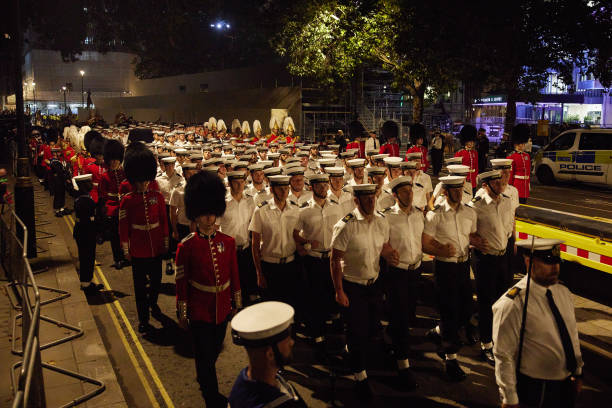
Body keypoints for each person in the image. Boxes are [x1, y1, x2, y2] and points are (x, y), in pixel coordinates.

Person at [175, 171, 241, 407]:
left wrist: (236, 302)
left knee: (213, 351)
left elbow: (234, 274)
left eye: (212, 213)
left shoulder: (228, 242)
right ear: (196, 215)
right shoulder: (187, 246)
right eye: (204, 214)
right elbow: (181, 283)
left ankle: (204, 374)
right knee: (204, 355)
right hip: (200, 309)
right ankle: (211, 395)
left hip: (221, 307)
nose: (209, 218)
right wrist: (182, 313)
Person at [493, 238, 584, 408]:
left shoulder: (563, 292)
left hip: (565, 383)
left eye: (557, 262)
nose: (555, 268)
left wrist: (578, 372)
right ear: (529, 262)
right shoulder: (513, 303)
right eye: (548, 262)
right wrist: (509, 398)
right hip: (536, 388)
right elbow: (503, 354)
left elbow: (571, 334)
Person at [330, 183, 397, 398]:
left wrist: (389, 254)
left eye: (372, 197)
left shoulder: (381, 220)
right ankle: (360, 376)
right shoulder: (345, 225)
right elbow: (335, 259)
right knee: (357, 331)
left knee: (371, 328)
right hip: (352, 285)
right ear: (356, 200)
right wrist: (339, 291)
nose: (371, 201)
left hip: (373, 283)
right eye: (365, 198)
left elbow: (382, 246)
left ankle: (357, 357)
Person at [422, 176, 482, 381]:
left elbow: (470, 236)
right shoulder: (435, 215)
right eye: (454, 190)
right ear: (445, 191)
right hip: (445, 267)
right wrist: (441, 249)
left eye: (461, 189)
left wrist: (479, 242)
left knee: (466, 309)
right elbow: (425, 243)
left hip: (464, 266)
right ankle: (450, 358)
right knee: (449, 310)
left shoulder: (469, 212)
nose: (459, 192)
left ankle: (438, 332)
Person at [119, 142, 169, 333]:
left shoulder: (157, 196)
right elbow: (123, 227)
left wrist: (165, 241)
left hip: (155, 246)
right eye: (141, 180)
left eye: (146, 180)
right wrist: (126, 248)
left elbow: (163, 220)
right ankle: (143, 318)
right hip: (138, 249)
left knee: (156, 281)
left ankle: (153, 302)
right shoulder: (127, 200)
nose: (144, 183)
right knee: (140, 287)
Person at [293, 173, 344, 355]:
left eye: (325, 185)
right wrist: (306, 243)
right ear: (312, 187)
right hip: (313, 259)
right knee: (315, 296)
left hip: (331, 258)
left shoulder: (337, 208)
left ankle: (332, 328)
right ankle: (317, 333)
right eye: (319, 185)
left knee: (332, 292)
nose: (323, 188)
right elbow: (295, 233)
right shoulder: (304, 210)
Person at [381, 176, 423, 389]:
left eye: (411, 190)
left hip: (415, 271)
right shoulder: (387, 217)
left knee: (408, 315)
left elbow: (423, 240)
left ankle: (396, 342)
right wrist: (386, 250)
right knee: (399, 316)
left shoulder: (418, 214)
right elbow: (380, 241)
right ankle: (402, 364)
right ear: (395, 195)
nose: (409, 194)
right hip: (397, 273)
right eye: (404, 191)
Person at [469, 170, 514, 366]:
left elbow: (509, 226)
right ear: (486, 185)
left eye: (502, 180)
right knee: (486, 304)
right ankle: (486, 345)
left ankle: (497, 339)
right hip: (484, 260)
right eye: (496, 182)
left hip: (502, 258)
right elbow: (465, 231)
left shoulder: (507, 201)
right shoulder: (475, 206)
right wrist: (475, 242)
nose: (501, 183)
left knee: (501, 302)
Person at [229, 301, 307, 407]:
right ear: (270, 354)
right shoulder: (282, 405)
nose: (292, 343)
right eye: (287, 340)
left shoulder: (242, 381)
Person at [249, 175, 300, 308]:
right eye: (280, 189)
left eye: (286, 188)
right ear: (271, 190)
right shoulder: (261, 210)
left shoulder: (295, 209)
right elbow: (254, 244)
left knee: (290, 306)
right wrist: (259, 273)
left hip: (291, 265)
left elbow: (297, 236)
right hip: (270, 266)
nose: (284, 192)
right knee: (271, 307)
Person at [217, 170, 258, 304]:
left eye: (242, 182)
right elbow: (216, 227)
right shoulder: (223, 202)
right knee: (229, 281)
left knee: (245, 279)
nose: (240, 186)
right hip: (228, 250)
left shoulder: (250, 201)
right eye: (236, 183)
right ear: (229, 184)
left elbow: (254, 224)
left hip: (245, 247)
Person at [72, 174, 104, 293]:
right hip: (86, 232)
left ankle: (87, 281)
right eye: (89, 183)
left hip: (82, 231)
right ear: (84, 185)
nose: (91, 184)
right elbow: (89, 219)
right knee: (87, 258)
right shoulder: (84, 200)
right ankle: (86, 284)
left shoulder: (82, 197)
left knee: (86, 257)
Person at [100, 139, 127, 270]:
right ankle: (118, 258)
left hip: (125, 207)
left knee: (125, 234)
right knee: (115, 236)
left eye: (117, 160)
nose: (115, 162)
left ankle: (126, 255)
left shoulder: (123, 173)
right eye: (113, 160)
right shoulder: (105, 176)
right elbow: (103, 195)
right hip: (113, 208)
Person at [507, 124, 531, 204]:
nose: (521, 145)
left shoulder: (527, 156)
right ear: (515, 144)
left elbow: (528, 171)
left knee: (524, 205)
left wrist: (528, 183)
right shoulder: (511, 157)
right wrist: (509, 186)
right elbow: (510, 174)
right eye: (519, 143)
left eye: (523, 143)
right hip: (517, 185)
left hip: (525, 186)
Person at [454, 125, 479, 191]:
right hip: (464, 180)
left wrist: (476, 176)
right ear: (465, 142)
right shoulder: (460, 153)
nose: (471, 143)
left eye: (472, 141)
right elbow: (456, 168)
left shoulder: (475, 153)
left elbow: (476, 166)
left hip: (473, 180)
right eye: (469, 141)